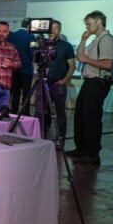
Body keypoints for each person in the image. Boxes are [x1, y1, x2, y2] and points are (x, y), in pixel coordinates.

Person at [67, 10, 113, 167]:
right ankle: (81, 149)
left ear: (99, 22)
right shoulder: (96, 39)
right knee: (81, 116)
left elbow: (108, 64)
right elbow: (79, 56)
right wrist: (83, 40)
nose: (87, 27)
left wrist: (86, 59)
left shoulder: (106, 39)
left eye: (89, 23)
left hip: (97, 82)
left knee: (91, 118)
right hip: (90, 82)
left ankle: (92, 154)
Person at [41, 20, 75, 149]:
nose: (53, 30)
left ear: (59, 30)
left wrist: (64, 80)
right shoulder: (41, 44)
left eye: (56, 28)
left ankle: (61, 139)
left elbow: (72, 66)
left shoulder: (66, 46)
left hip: (58, 83)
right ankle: (41, 138)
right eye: (51, 28)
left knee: (60, 112)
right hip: (43, 83)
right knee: (42, 111)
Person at [6, 24, 36, 115]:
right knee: (26, 93)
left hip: (14, 69)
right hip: (27, 69)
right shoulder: (31, 36)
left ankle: (13, 111)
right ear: (28, 26)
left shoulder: (11, 36)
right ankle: (25, 112)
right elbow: (32, 54)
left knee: (15, 92)